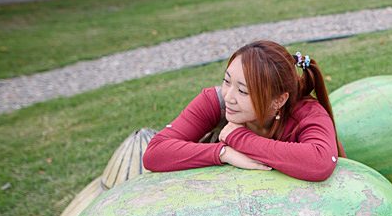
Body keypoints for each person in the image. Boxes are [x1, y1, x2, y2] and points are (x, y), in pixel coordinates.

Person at [143, 40, 342, 182]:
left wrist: (238, 137)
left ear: (279, 100)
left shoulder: (307, 113)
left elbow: (320, 162)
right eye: (227, 81)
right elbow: (155, 153)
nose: (229, 96)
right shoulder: (215, 102)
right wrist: (223, 152)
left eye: (243, 91)